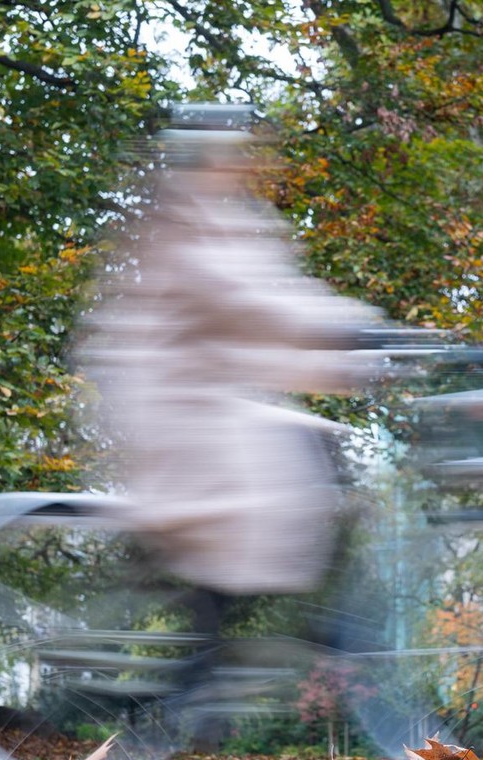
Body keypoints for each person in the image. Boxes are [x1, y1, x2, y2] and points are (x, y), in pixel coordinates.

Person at [77, 105, 384, 634]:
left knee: (318, 455)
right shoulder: (180, 229)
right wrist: (350, 330)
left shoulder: (232, 224)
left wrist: (341, 364)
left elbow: (260, 338)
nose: (246, 164)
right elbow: (247, 306)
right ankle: (309, 638)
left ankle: (230, 646)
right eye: (233, 154)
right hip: (176, 415)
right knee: (277, 487)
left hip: (212, 407)